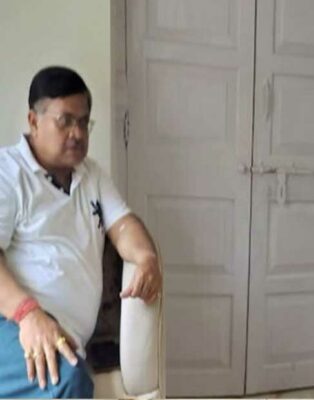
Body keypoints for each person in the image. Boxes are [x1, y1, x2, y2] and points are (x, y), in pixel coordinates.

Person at [0, 66, 162, 398]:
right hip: (14, 322)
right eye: (65, 121)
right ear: (33, 121)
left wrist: (147, 258)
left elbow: (124, 225)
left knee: (69, 375)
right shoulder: (8, 172)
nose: (77, 133)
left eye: (84, 122)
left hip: (62, 335)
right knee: (67, 380)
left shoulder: (92, 175)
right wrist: (28, 314)